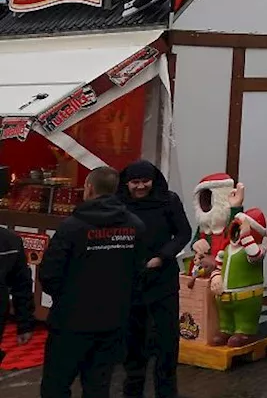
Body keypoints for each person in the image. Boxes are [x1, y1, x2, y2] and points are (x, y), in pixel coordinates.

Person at [39, 166, 145, 398]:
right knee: (98, 387)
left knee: (55, 387)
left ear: (88, 188)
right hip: (112, 323)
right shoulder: (135, 226)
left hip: (70, 323)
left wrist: (67, 300)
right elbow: (139, 274)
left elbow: (49, 275)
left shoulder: (72, 227)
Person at [118, 161, 192, 398]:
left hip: (163, 280)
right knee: (133, 343)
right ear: (126, 183)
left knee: (166, 340)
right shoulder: (119, 203)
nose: (140, 187)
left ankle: (167, 391)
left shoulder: (168, 200)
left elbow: (183, 233)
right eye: (135, 182)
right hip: (130, 281)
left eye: (145, 182)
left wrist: (163, 256)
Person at [0, 222, 36, 369]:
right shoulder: (10, 240)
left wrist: (25, 324)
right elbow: (22, 284)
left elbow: (21, 283)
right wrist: (25, 324)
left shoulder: (10, 241)